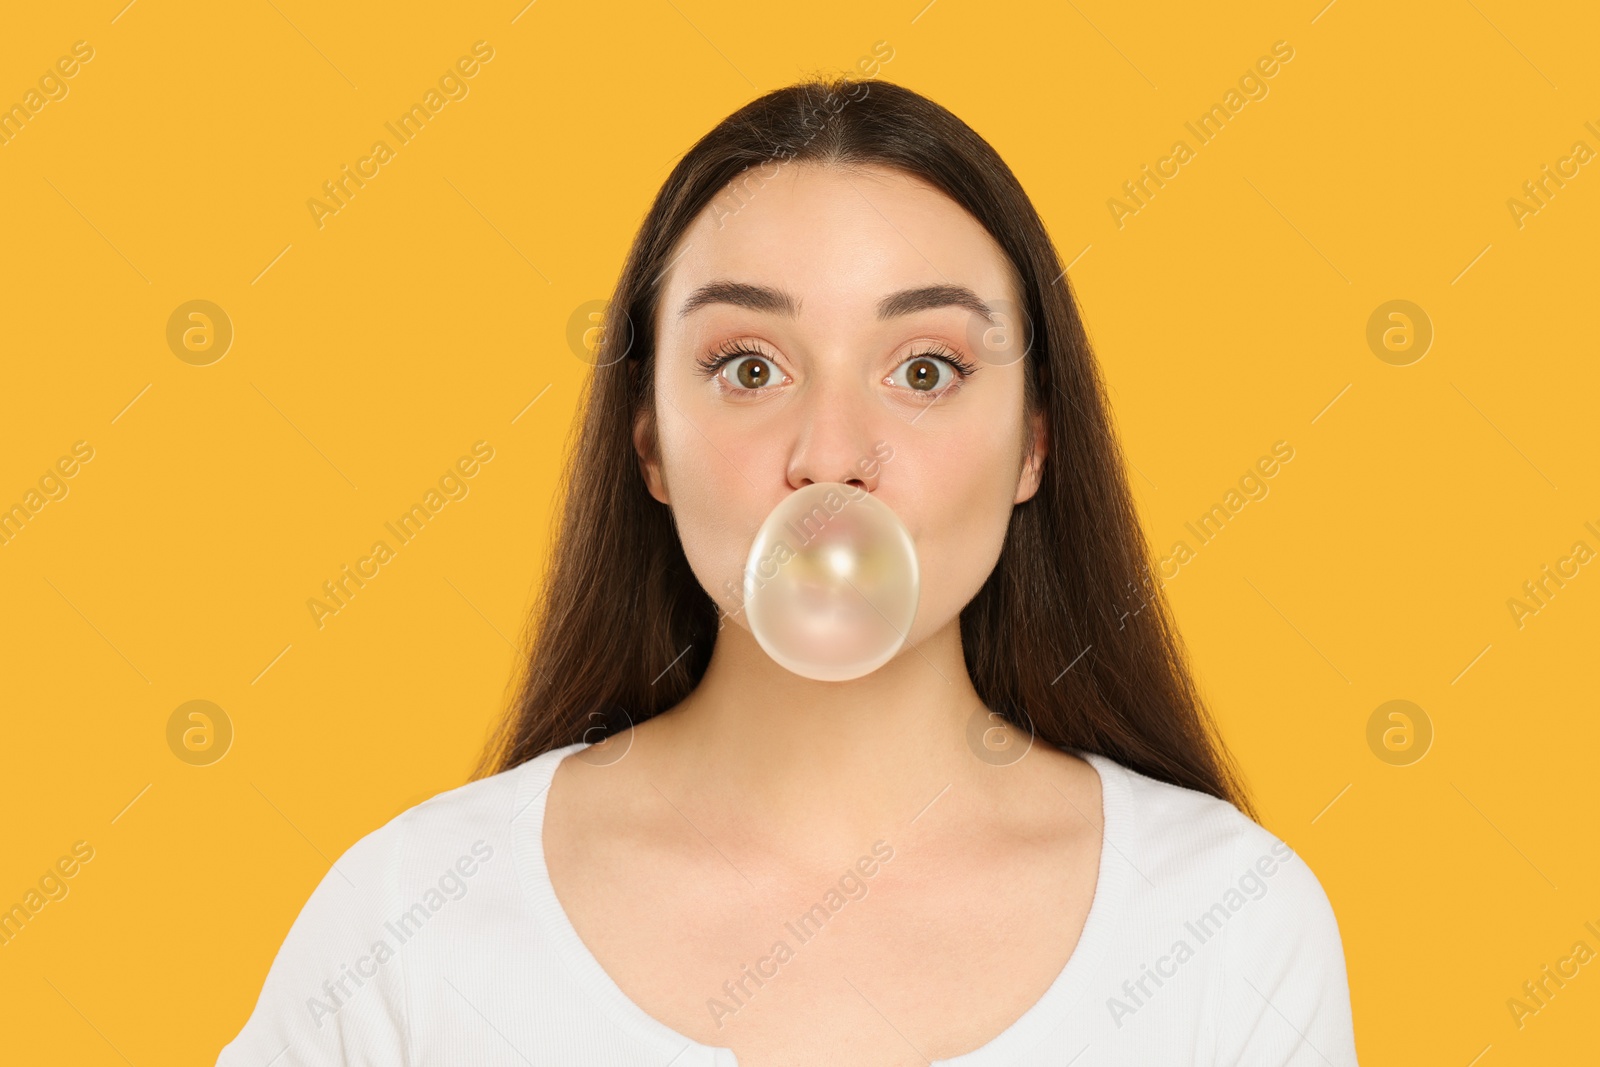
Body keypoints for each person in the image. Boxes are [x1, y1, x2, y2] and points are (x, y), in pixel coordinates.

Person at [217, 76, 1359, 1066]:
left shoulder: (1225, 922)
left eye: (924, 368)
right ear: (650, 439)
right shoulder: (413, 918)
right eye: (749, 365)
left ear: (1034, 442)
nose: (827, 456)